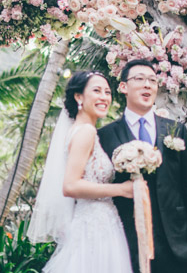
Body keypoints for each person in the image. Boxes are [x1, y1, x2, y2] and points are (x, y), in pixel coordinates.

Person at [98, 59, 187, 273]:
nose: (147, 85)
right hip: (127, 243)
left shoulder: (176, 130)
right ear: (123, 87)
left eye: (152, 80)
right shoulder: (105, 136)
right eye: (139, 79)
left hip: (176, 241)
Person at [28, 70, 133, 273]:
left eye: (107, 92)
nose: (104, 97)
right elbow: (70, 186)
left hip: (98, 222)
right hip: (94, 226)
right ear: (79, 97)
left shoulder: (81, 130)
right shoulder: (85, 132)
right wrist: (121, 189)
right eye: (96, 91)